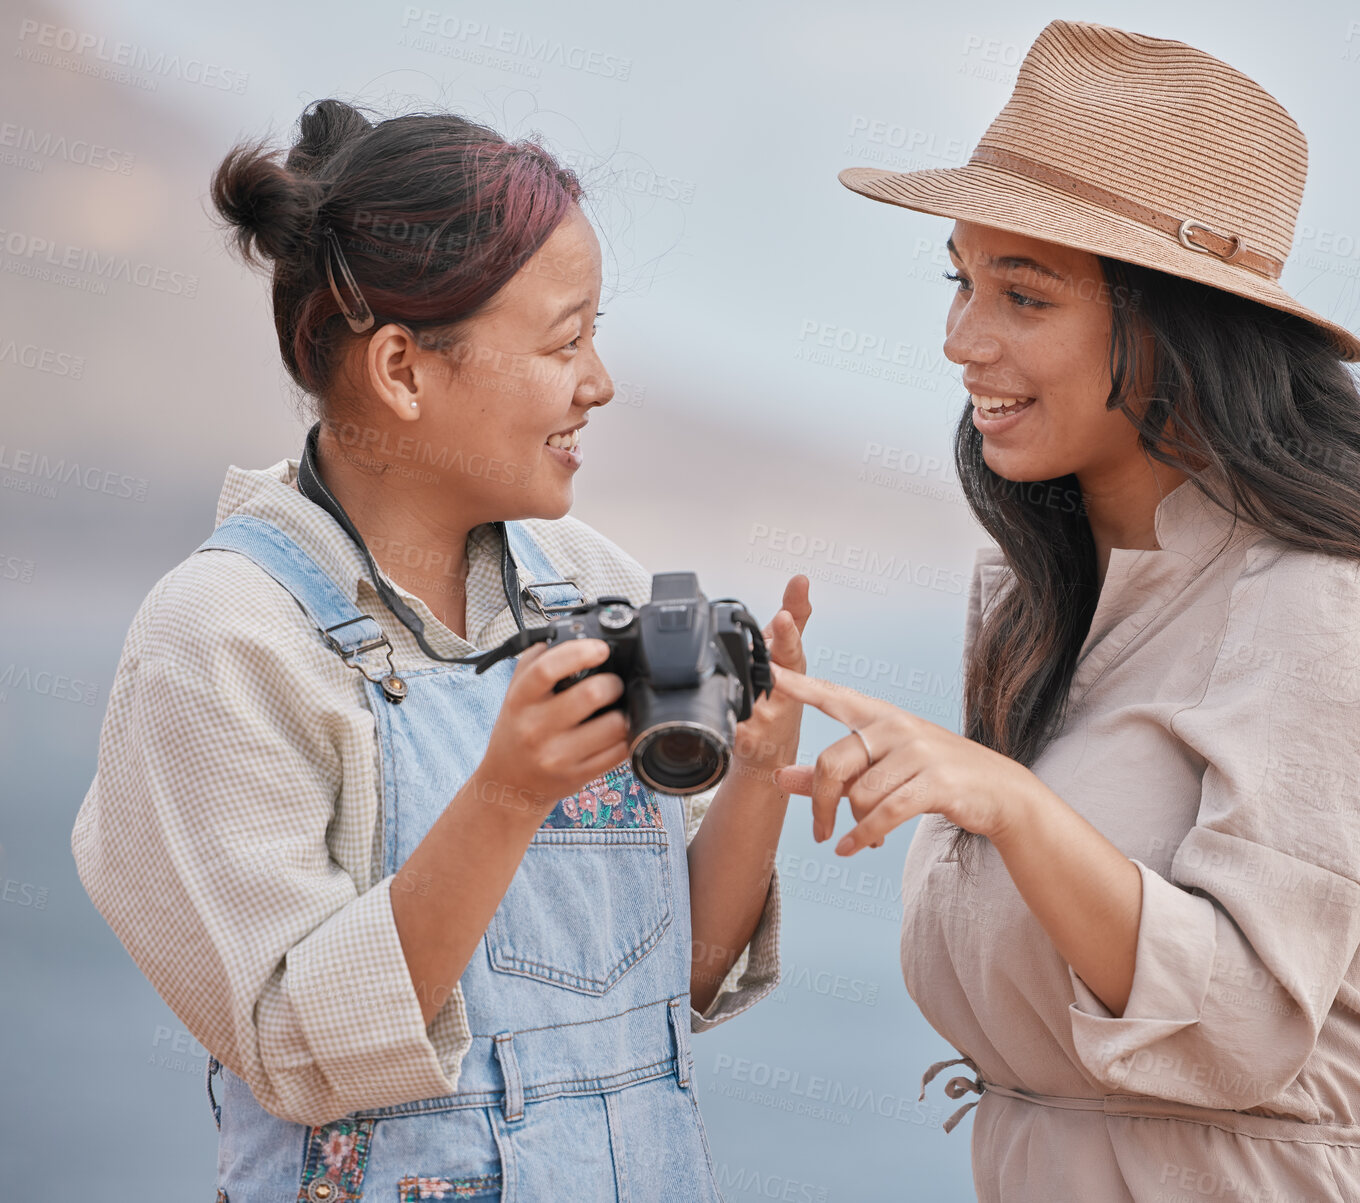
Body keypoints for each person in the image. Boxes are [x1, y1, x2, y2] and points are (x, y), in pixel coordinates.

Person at [768, 21, 1360, 1202]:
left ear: (1175, 324)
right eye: (960, 280)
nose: (958, 340)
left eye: (1021, 295)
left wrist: (1012, 805)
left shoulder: (1311, 603)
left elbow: (1236, 1029)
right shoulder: (1032, 602)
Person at [70, 98, 810, 1201]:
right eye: (567, 342)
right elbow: (294, 1048)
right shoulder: (223, 640)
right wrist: (505, 797)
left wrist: (757, 773)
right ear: (403, 371)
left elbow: (680, 984)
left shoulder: (591, 585)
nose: (599, 383)